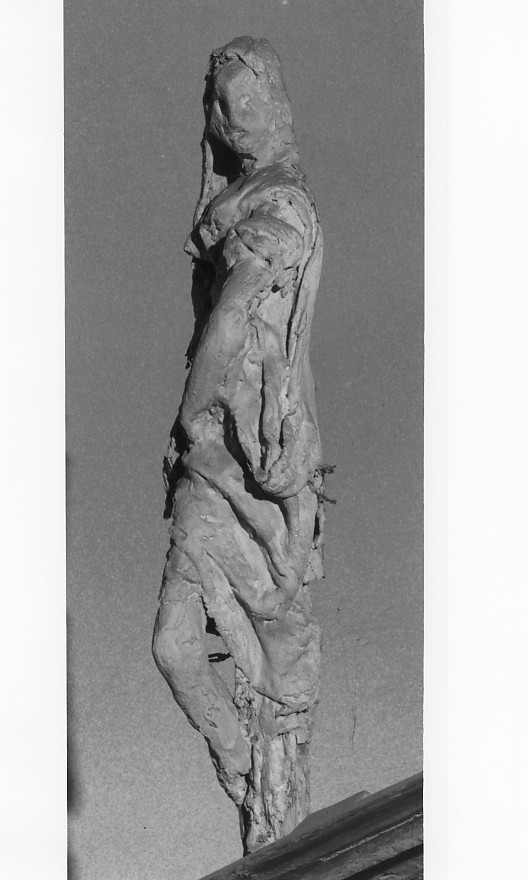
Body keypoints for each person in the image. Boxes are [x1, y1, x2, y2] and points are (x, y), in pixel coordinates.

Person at [152, 37, 325, 825]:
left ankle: (271, 803)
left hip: (251, 448)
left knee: (270, 640)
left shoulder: (280, 205)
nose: (236, 118)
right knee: (174, 644)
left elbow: (232, 317)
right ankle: (247, 770)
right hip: (208, 457)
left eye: (250, 100)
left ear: (277, 103)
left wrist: (192, 414)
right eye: (224, 106)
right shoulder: (245, 199)